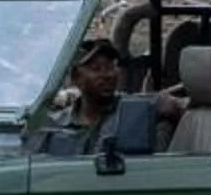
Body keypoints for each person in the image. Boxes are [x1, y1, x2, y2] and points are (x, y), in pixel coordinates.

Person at [48, 33, 187, 140]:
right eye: (96, 69)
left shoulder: (134, 110)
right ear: (76, 78)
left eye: (110, 67)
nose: (107, 75)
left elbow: (172, 105)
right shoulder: (56, 125)